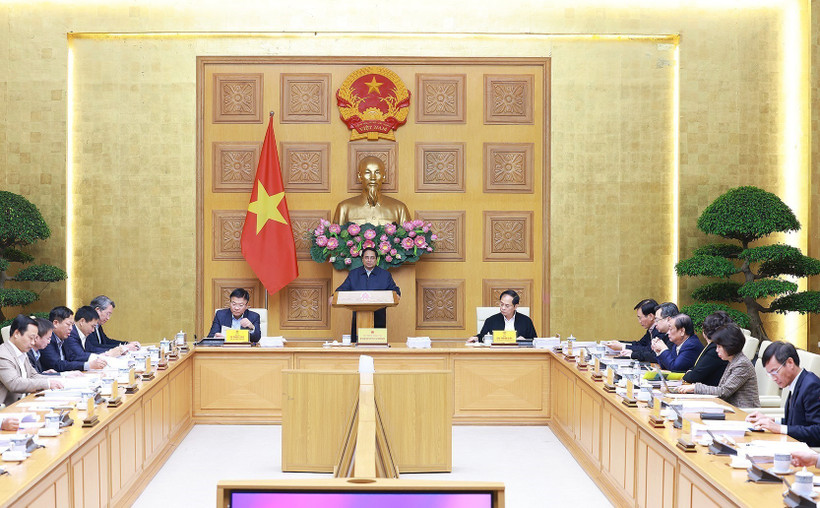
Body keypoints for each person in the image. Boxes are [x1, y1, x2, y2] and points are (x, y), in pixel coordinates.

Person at [746, 341, 820, 446]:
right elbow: (798, 422)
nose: (773, 378)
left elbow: (817, 431)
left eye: (775, 372)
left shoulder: (811, 386)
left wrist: (779, 428)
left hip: (806, 453)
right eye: (770, 374)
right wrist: (771, 420)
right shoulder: (797, 382)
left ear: (790, 363)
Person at [676, 324, 759, 407]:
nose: (716, 350)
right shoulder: (733, 360)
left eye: (719, 347)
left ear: (729, 346)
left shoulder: (742, 364)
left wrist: (695, 387)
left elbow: (723, 392)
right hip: (728, 407)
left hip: (743, 413)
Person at [333, 247, 401, 341]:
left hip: (379, 316)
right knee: (358, 345)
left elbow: (395, 289)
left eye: (372, 258)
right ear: (362, 259)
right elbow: (342, 289)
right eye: (366, 257)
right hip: (358, 316)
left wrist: (397, 294)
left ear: (376, 260)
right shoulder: (354, 274)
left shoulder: (385, 275)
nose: (369, 260)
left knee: (377, 346)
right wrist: (334, 296)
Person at [0, 315, 63, 406]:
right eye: (31, 338)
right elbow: (14, 383)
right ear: (17, 334)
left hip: (22, 404)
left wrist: (59, 380)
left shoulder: (22, 352)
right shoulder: (3, 354)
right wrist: (47, 383)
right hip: (6, 410)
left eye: (35, 339)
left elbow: (33, 375)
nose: (33, 343)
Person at [332, 156, 411, 226]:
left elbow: (408, 239)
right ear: (360, 176)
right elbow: (335, 239)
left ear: (383, 176)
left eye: (377, 172)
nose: (373, 177)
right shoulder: (344, 208)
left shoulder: (400, 209)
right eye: (367, 172)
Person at [40, 306, 107, 372]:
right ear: (55, 323)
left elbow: (73, 357)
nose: (71, 328)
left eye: (72, 325)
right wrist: (87, 365)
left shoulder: (64, 338)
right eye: (68, 324)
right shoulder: (47, 339)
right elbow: (57, 365)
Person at [679, 311, 731, 386]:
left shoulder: (715, 349)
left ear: (705, 330)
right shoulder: (713, 346)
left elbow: (694, 376)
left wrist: (688, 373)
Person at [468, 290, 537, 342]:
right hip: (497, 355)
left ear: (515, 306)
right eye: (501, 304)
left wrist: (524, 340)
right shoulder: (491, 320)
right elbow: (482, 337)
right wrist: (476, 338)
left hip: (519, 355)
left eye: (507, 305)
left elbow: (534, 340)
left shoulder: (526, 321)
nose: (503, 308)